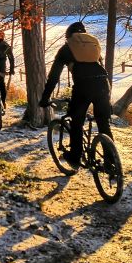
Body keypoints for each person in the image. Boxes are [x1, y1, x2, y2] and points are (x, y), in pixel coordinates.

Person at [39, 21, 112, 168]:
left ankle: (75, 157)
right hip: (103, 84)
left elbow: (54, 77)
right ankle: (111, 163)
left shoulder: (66, 48)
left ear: (69, 36)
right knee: (103, 123)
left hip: (83, 86)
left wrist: (45, 98)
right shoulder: (93, 44)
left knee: (77, 121)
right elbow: (100, 67)